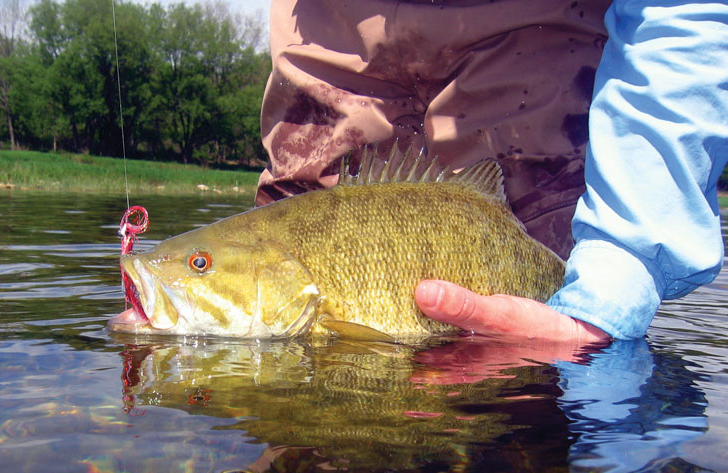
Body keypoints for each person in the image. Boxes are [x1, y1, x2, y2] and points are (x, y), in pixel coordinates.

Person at [255, 0, 728, 349]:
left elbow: (685, 12)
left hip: (536, 29)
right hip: (325, 26)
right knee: (283, 336)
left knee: (535, 387)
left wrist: (611, 291)